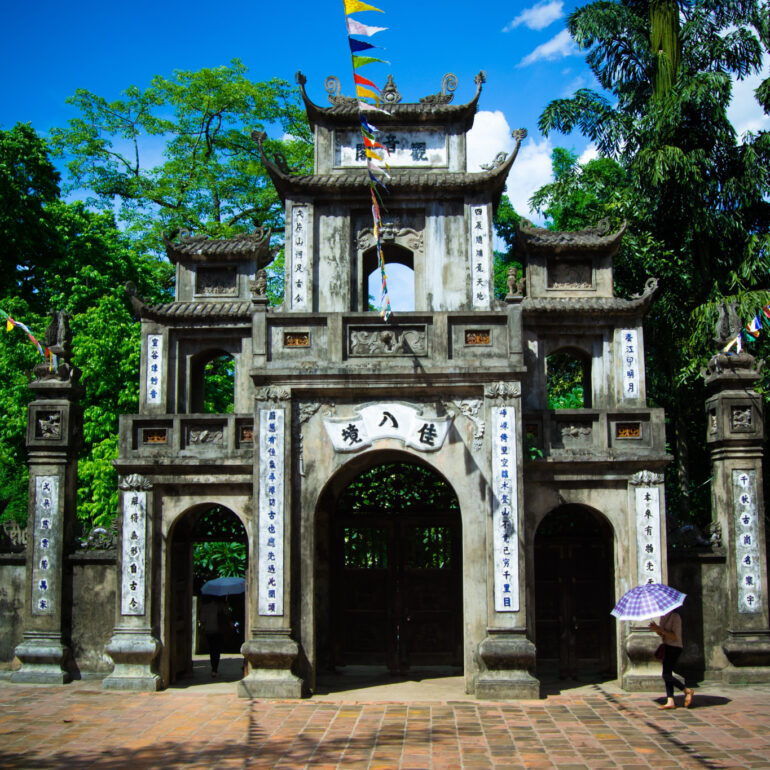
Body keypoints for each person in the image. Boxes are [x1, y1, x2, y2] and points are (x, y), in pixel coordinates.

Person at [649, 610, 694, 709]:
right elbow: (662, 634)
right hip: (667, 647)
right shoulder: (663, 617)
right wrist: (656, 629)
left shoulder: (675, 617)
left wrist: (660, 629)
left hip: (675, 647)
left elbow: (675, 636)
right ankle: (670, 701)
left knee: (665, 675)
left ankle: (686, 690)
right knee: (667, 673)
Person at [199, 596, 225, 677]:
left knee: (212, 650)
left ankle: (214, 669)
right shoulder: (220, 607)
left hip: (208, 631)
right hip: (218, 631)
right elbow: (227, 614)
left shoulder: (205, 607)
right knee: (217, 651)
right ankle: (214, 669)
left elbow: (202, 619)